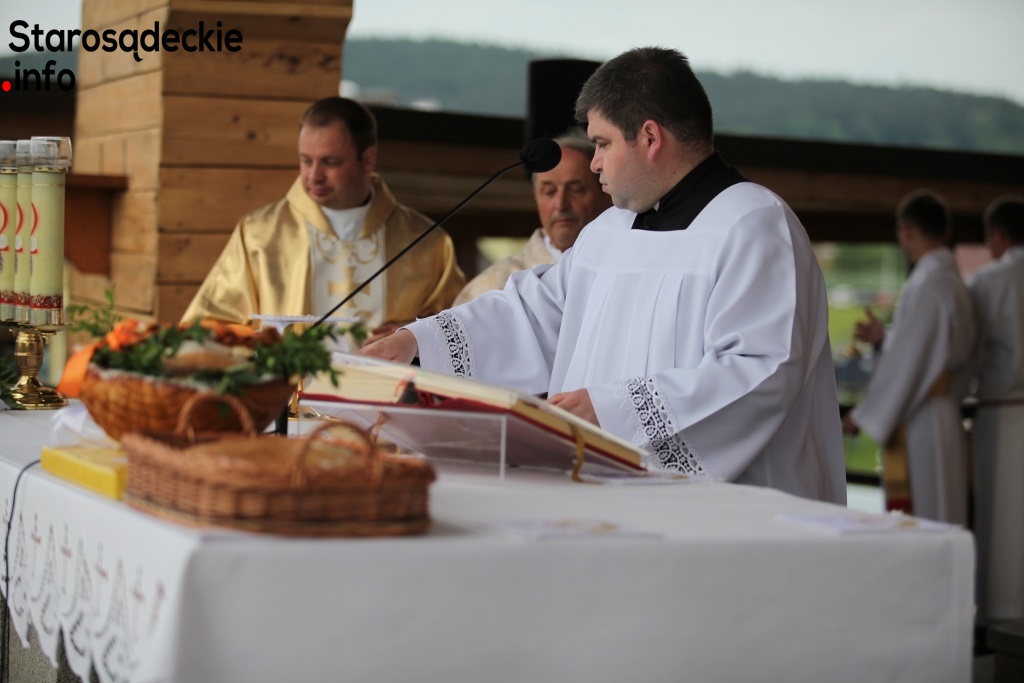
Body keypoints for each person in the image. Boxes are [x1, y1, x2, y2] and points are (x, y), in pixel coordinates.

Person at [361, 47, 846, 504]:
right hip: (606, 494)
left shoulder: (753, 225)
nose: (594, 162)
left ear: (650, 138)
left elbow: (762, 373)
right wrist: (417, 342)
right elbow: (535, 313)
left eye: (602, 143)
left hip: (729, 514)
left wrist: (613, 412)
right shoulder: (610, 229)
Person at [181, 97, 465, 346]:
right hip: (287, 391)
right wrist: (261, 344)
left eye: (330, 162)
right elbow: (208, 327)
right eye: (306, 161)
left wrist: (415, 336)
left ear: (368, 160)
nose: (314, 176)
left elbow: (461, 330)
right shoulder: (258, 234)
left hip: (385, 392)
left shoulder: (427, 243)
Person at [842, 190, 974, 524]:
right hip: (941, 409)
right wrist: (884, 339)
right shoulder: (951, 280)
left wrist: (864, 415)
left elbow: (910, 361)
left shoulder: (928, 283)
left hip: (924, 418)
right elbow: (930, 350)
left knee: (927, 515)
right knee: (940, 510)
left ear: (907, 230)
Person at [453, 132, 611, 305]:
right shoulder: (496, 284)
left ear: (606, 194)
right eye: (549, 192)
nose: (560, 204)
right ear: (536, 197)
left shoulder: (622, 264)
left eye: (576, 190)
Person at [966, 195, 1024, 623]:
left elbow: (964, 352)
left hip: (1004, 413)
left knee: (1003, 521)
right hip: (1006, 407)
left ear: (999, 237)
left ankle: (1001, 617)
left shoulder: (991, 280)